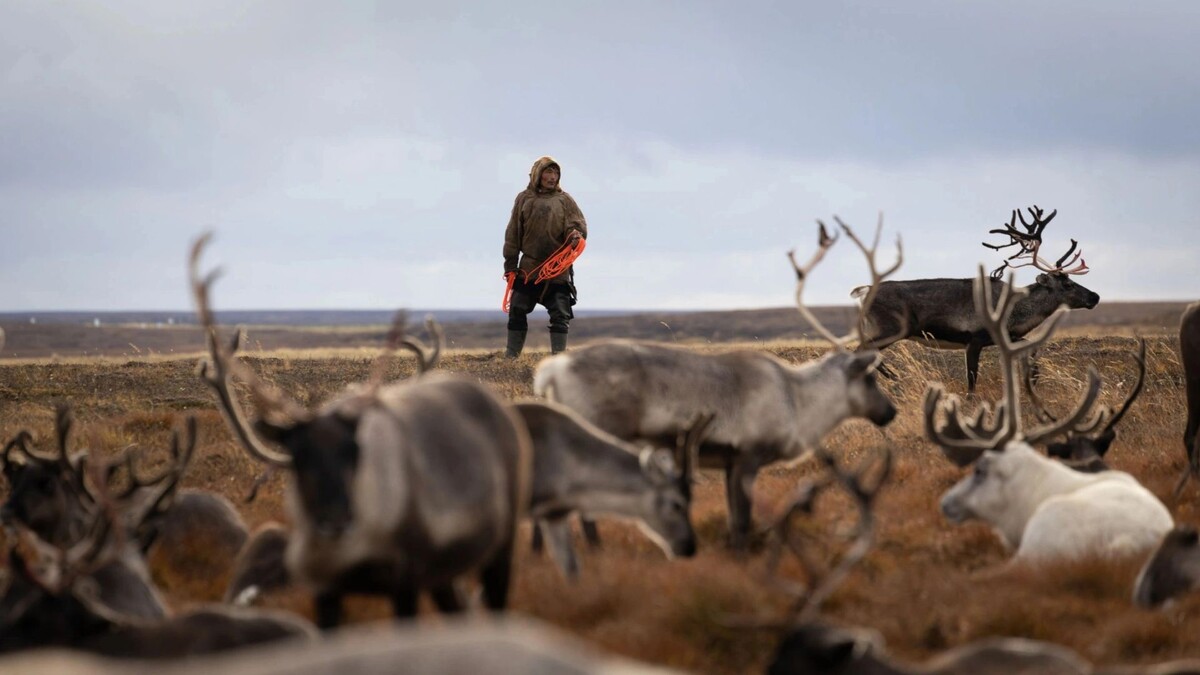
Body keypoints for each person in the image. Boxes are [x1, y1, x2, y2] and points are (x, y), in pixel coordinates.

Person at [502, 156, 588, 357]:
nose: (552, 177)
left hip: (557, 269)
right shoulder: (524, 198)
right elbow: (513, 234)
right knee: (517, 309)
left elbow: (576, 226)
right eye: (548, 172)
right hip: (528, 268)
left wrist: (575, 236)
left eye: (556, 173)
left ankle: (558, 358)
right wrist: (510, 265)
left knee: (560, 315)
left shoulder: (565, 200)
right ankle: (511, 356)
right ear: (538, 174)